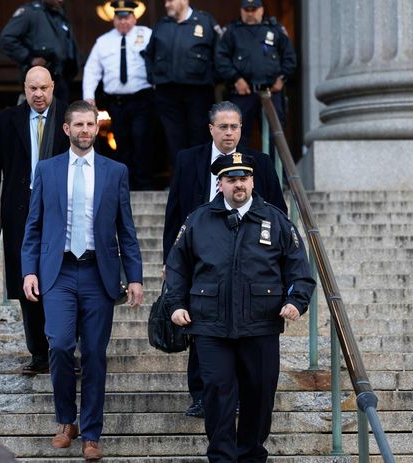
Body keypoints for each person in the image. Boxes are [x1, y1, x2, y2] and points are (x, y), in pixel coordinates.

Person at [165, 153, 315, 462]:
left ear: (253, 181)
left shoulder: (274, 219)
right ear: (219, 184)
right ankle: (221, 456)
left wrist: (295, 300)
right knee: (217, 394)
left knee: (259, 395)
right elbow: (177, 267)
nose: (239, 185)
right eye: (231, 180)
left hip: (260, 324)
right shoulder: (198, 219)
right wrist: (176, 304)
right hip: (210, 325)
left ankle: (251, 454)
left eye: (243, 179)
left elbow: (299, 268)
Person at [20, 100, 144, 461]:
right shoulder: (46, 170)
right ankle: (64, 421)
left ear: (96, 128)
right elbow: (34, 226)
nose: (85, 131)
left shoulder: (115, 171)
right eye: (79, 125)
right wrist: (29, 270)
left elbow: (127, 228)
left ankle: (91, 433)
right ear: (67, 129)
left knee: (93, 354)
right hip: (57, 271)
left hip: (97, 272)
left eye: (90, 124)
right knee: (58, 344)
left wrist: (133, 276)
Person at [162, 101, 287, 418]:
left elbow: (279, 215)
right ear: (211, 129)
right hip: (199, 256)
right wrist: (169, 258)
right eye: (223, 126)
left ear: (241, 129)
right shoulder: (189, 160)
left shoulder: (260, 162)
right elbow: (174, 212)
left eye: (235, 126)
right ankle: (202, 394)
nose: (229, 132)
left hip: (249, 260)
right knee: (199, 325)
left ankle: (240, 394)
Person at [0, 66, 69, 376]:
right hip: (20, 211)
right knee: (29, 280)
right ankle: (40, 353)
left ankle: (65, 349)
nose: (38, 94)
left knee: (63, 278)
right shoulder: (6, 121)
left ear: (53, 87)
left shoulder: (69, 118)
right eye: (32, 89)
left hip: (61, 210)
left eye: (43, 88)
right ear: (25, 89)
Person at [83, 1, 154, 190]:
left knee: (142, 140)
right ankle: (125, 186)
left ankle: (144, 185)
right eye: (119, 18)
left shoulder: (147, 35)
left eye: (127, 17)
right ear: (114, 19)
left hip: (142, 99)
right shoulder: (103, 41)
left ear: (134, 17)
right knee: (121, 143)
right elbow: (92, 70)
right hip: (116, 102)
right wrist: (89, 97)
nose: (123, 22)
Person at [143, 0, 220, 166]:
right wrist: (153, 78)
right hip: (167, 92)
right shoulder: (162, 25)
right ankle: (180, 181)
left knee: (199, 136)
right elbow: (149, 55)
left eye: (171, 1)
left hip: (198, 92)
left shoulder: (205, 21)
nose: (166, 4)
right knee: (174, 138)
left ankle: (200, 181)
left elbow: (219, 54)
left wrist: (211, 79)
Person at [215, 0, 296, 153]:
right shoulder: (232, 31)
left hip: (271, 92)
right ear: (241, 10)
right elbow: (221, 59)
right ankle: (236, 173)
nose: (250, 13)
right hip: (242, 92)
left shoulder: (275, 29)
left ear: (261, 10)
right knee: (237, 135)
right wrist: (236, 79)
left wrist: (282, 78)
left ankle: (276, 176)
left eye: (254, 9)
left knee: (276, 136)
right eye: (247, 9)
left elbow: (289, 57)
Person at [0, 0, 80, 103]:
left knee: (60, 116)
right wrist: (29, 58)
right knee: (37, 117)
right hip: (38, 79)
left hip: (60, 78)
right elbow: (7, 39)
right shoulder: (30, 12)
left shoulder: (59, 15)